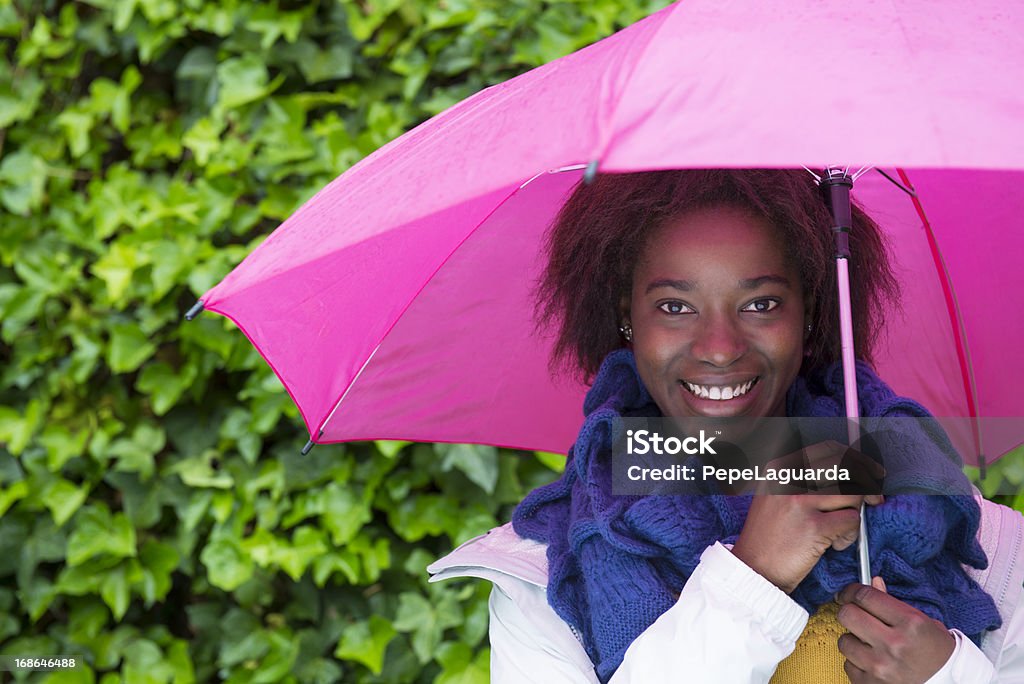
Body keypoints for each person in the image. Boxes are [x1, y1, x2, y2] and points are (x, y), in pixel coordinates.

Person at [428, 169, 1024, 683]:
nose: (719, 347)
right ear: (624, 317)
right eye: (675, 306)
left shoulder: (989, 546)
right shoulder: (542, 576)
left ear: (812, 312)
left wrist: (947, 673)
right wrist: (753, 576)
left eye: (761, 303)